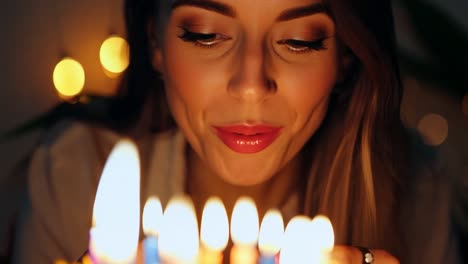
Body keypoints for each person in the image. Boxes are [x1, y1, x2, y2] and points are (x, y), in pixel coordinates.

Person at [11, 0, 462, 263]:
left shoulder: (414, 193)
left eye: (299, 41)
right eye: (206, 35)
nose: (250, 86)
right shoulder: (76, 172)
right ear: (156, 44)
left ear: (344, 57)